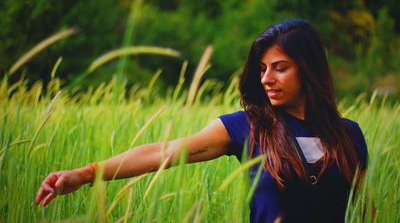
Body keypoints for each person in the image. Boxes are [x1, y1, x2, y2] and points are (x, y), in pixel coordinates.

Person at [35, 19, 368, 223]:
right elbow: (161, 153)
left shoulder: (349, 136)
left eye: (280, 67)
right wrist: (88, 173)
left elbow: (363, 211)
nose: (266, 78)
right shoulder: (248, 127)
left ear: (308, 69)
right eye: (262, 69)